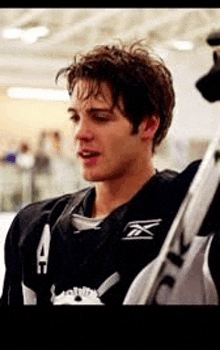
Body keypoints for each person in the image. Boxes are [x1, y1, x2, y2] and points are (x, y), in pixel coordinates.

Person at [1, 42, 220, 305]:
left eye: (101, 117)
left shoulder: (191, 207)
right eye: (75, 118)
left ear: (148, 125)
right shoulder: (33, 227)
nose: (81, 133)